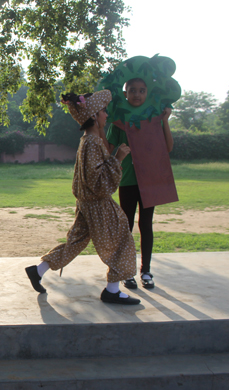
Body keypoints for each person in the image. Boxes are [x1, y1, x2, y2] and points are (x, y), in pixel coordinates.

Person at [24, 90, 140, 305]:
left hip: (87, 204)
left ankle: (38, 271)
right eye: (103, 111)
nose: (106, 115)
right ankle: (112, 291)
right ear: (94, 115)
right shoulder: (93, 142)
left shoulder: (87, 140)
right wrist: (118, 158)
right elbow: (96, 181)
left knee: (75, 242)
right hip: (97, 204)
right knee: (121, 239)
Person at [106, 78, 174, 290]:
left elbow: (168, 147)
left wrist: (165, 120)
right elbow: (107, 150)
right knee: (126, 227)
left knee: (146, 225)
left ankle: (146, 271)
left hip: (149, 182)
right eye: (132, 90)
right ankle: (126, 271)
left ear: (147, 93)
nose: (137, 94)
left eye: (142, 90)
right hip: (127, 181)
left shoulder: (153, 119)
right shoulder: (119, 121)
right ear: (125, 93)